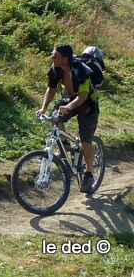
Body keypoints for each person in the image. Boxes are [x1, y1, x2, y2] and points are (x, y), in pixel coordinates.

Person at [35, 43, 100, 193]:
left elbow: (83, 96)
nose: (52, 57)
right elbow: (51, 90)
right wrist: (43, 107)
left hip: (87, 104)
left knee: (85, 142)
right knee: (54, 118)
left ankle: (89, 174)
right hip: (70, 100)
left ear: (65, 58)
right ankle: (67, 148)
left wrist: (68, 107)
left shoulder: (82, 70)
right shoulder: (55, 69)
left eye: (55, 55)